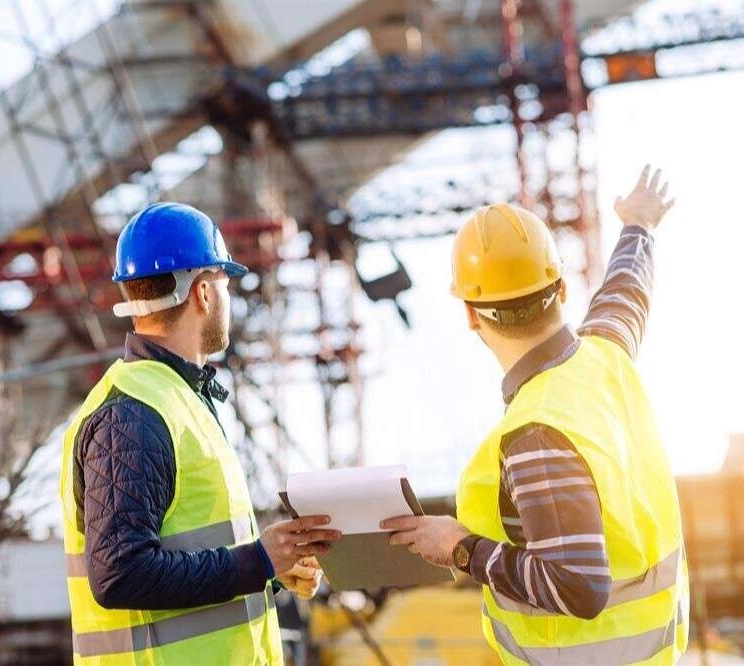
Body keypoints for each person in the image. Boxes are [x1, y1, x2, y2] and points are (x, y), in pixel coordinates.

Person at [382, 166, 689, 664]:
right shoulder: (603, 358)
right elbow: (626, 294)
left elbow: (578, 587)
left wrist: (461, 548)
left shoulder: (537, 432)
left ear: (470, 315)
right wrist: (638, 226)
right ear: (562, 290)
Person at [59, 202, 340, 665]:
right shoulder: (133, 414)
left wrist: (271, 571)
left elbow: (189, 553)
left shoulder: (174, 398)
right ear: (204, 293)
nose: (228, 298)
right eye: (226, 283)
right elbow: (119, 574)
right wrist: (259, 561)